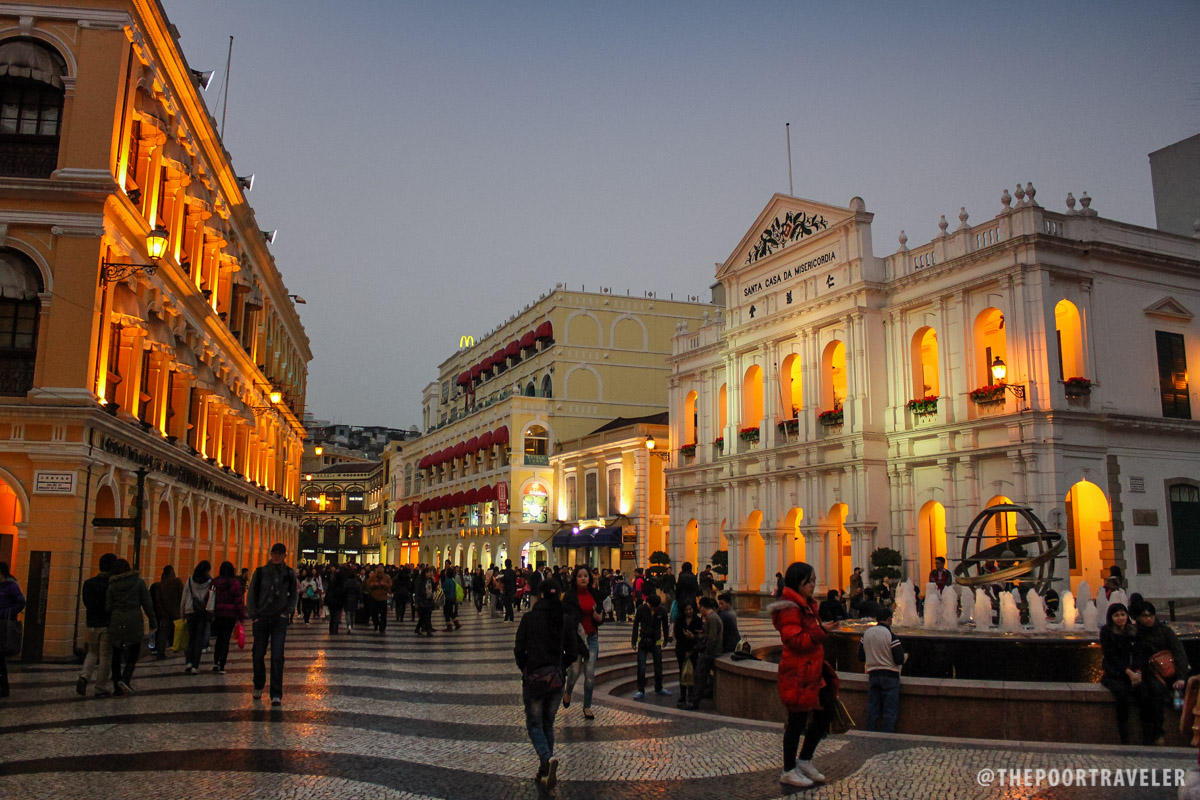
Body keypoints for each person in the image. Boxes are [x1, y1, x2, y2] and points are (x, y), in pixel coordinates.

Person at [769, 561, 839, 787]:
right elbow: (795, 641)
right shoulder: (790, 608)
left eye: (814, 580)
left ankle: (805, 759)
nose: (812, 584)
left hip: (812, 669)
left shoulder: (807, 605)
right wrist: (821, 630)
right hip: (797, 671)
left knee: (826, 710)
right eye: (808, 581)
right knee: (797, 721)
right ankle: (788, 769)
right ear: (797, 582)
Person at [514, 580, 578, 790]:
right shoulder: (564, 619)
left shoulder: (529, 618)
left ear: (540, 595)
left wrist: (526, 667)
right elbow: (573, 651)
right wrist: (559, 667)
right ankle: (545, 771)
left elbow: (519, 648)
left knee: (534, 724)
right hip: (556, 680)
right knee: (547, 724)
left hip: (534, 679)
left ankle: (546, 758)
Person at [247, 543, 298, 706]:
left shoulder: (289, 573)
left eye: (279, 553)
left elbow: (294, 594)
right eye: (274, 553)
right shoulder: (260, 572)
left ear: (284, 555)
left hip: (279, 619)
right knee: (257, 654)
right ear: (271, 554)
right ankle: (258, 684)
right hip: (261, 618)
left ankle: (276, 693)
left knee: (277, 656)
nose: (276, 556)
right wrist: (253, 615)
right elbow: (251, 594)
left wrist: (287, 612)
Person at [1135, 602, 1189, 744]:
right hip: (1147, 674)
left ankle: (1161, 733)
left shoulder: (1165, 631)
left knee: (1158, 690)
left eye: (1151, 615)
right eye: (1144, 616)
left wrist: (1181, 677)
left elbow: (1179, 653)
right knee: (1147, 693)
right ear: (1138, 617)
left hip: (1168, 673)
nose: (1148, 619)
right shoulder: (1136, 633)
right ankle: (1151, 733)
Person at [1100, 602, 1153, 745]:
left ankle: (1148, 735)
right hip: (1115, 674)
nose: (1120, 618)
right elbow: (1111, 655)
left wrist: (1138, 672)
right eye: (1116, 615)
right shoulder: (1107, 631)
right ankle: (1124, 736)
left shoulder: (1133, 630)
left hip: (1134, 673)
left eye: (1123, 614)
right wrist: (1128, 672)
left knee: (1145, 694)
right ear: (1111, 617)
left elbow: (1139, 653)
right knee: (1122, 696)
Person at [105, 558, 155, 696]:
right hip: (134, 619)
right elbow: (147, 603)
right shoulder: (138, 582)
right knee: (134, 650)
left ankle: (117, 686)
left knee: (116, 652)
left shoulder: (112, 585)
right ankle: (126, 678)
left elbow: (108, 607)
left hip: (117, 620)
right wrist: (152, 620)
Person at [562, 564, 604, 720]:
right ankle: (568, 691)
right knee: (574, 672)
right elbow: (565, 619)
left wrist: (600, 618)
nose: (583, 578)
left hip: (592, 637)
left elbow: (600, 614)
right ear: (575, 579)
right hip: (576, 639)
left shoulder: (595, 594)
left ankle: (587, 706)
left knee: (590, 673)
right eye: (580, 576)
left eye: (585, 576)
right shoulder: (570, 597)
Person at [857, 607, 906, 732]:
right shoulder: (891, 635)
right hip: (890, 676)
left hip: (873, 675)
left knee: (872, 709)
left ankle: (870, 733)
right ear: (889, 619)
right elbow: (899, 659)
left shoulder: (866, 634)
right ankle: (886, 736)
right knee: (889, 711)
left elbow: (861, 657)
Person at [78, 553, 115, 697]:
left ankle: (84, 676)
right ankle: (100, 687)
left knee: (92, 652)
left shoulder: (88, 584)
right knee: (105, 656)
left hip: (92, 623)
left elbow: (86, 603)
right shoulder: (110, 585)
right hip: (106, 624)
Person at [685, 597, 723, 710]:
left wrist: (706, 652)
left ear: (702, 607)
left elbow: (712, 638)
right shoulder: (713, 617)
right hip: (711, 652)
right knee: (700, 676)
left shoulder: (712, 618)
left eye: (699, 607)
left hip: (710, 654)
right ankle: (695, 699)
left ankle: (694, 701)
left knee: (699, 676)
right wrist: (697, 636)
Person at [631, 593, 671, 699]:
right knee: (641, 667)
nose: (655, 609)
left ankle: (659, 687)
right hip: (643, 641)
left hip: (656, 641)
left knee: (658, 666)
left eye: (657, 607)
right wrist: (634, 641)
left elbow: (665, 625)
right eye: (653, 607)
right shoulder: (641, 609)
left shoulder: (661, 610)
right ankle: (640, 689)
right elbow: (636, 625)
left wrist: (666, 639)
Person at [210, 561, 245, 674]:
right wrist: (240, 616)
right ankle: (222, 665)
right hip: (230, 615)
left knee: (219, 639)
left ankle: (216, 662)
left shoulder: (215, 582)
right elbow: (238, 601)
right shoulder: (235, 583)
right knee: (225, 639)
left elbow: (209, 597)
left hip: (218, 614)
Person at [181, 561, 214, 674]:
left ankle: (188, 662)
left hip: (190, 611)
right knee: (199, 639)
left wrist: (182, 612)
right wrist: (211, 612)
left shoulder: (190, 580)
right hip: (202, 612)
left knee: (190, 638)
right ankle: (195, 665)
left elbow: (184, 597)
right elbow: (211, 597)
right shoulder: (209, 582)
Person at [0, 561, 25, 698]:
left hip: (3, 624)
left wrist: (8, 613)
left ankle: (4, 687)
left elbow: (20, 602)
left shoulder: (11, 586)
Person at [673, 600, 703, 708]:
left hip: (693, 650)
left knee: (692, 672)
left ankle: (691, 694)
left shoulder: (697, 620)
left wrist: (692, 637)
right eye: (686, 610)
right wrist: (684, 637)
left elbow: (700, 634)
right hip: (681, 649)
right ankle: (682, 694)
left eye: (690, 609)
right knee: (682, 670)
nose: (689, 611)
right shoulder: (679, 620)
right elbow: (677, 634)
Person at [150, 564, 182, 659]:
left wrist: (161, 611)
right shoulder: (177, 582)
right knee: (179, 631)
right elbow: (182, 596)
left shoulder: (160, 585)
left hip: (165, 613)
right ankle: (180, 648)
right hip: (176, 611)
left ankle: (160, 653)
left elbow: (158, 600)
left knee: (163, 633)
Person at [366, 566, 393, 634]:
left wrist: (384, 584)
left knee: (383, 614)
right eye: (378, 572)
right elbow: (368, 584)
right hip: (374, 597)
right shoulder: (372, 577)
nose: (380, 574)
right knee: (374, 613)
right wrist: (374, 584)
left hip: (383, 597)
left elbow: (390, 584)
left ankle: (382, 627)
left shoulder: (387, 577)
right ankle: (376, 624)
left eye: (381, 572)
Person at [414, 566, 436, 636]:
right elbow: (417, 591)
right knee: (426, 616)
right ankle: (428, 630)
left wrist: (434, 582)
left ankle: (418, 628)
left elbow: (433, 590)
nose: (430, 573)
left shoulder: (430, 580)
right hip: (422, 600)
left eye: (430, 572)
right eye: (428, 572)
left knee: (425, 616)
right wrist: (416, 602)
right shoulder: (420, 581)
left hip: (429, 599)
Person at [342, 568, 362, 633]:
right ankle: (352, 624)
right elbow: (359, 592)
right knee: (353, 613)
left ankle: (349, 625)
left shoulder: (346, 583)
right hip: (355, 599)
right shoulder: (357, 583)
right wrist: (360, 600)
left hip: (347, 598)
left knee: (348, 613)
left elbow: (343, 591)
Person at [441, 566, 460, 632]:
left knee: (446, 613)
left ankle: (449, 626)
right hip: (452, 598)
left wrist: (442, 590)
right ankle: (457, 624)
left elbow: (446, 590)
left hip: (448, 598)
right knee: (450, 612)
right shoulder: (452, 580)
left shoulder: (447, 581)